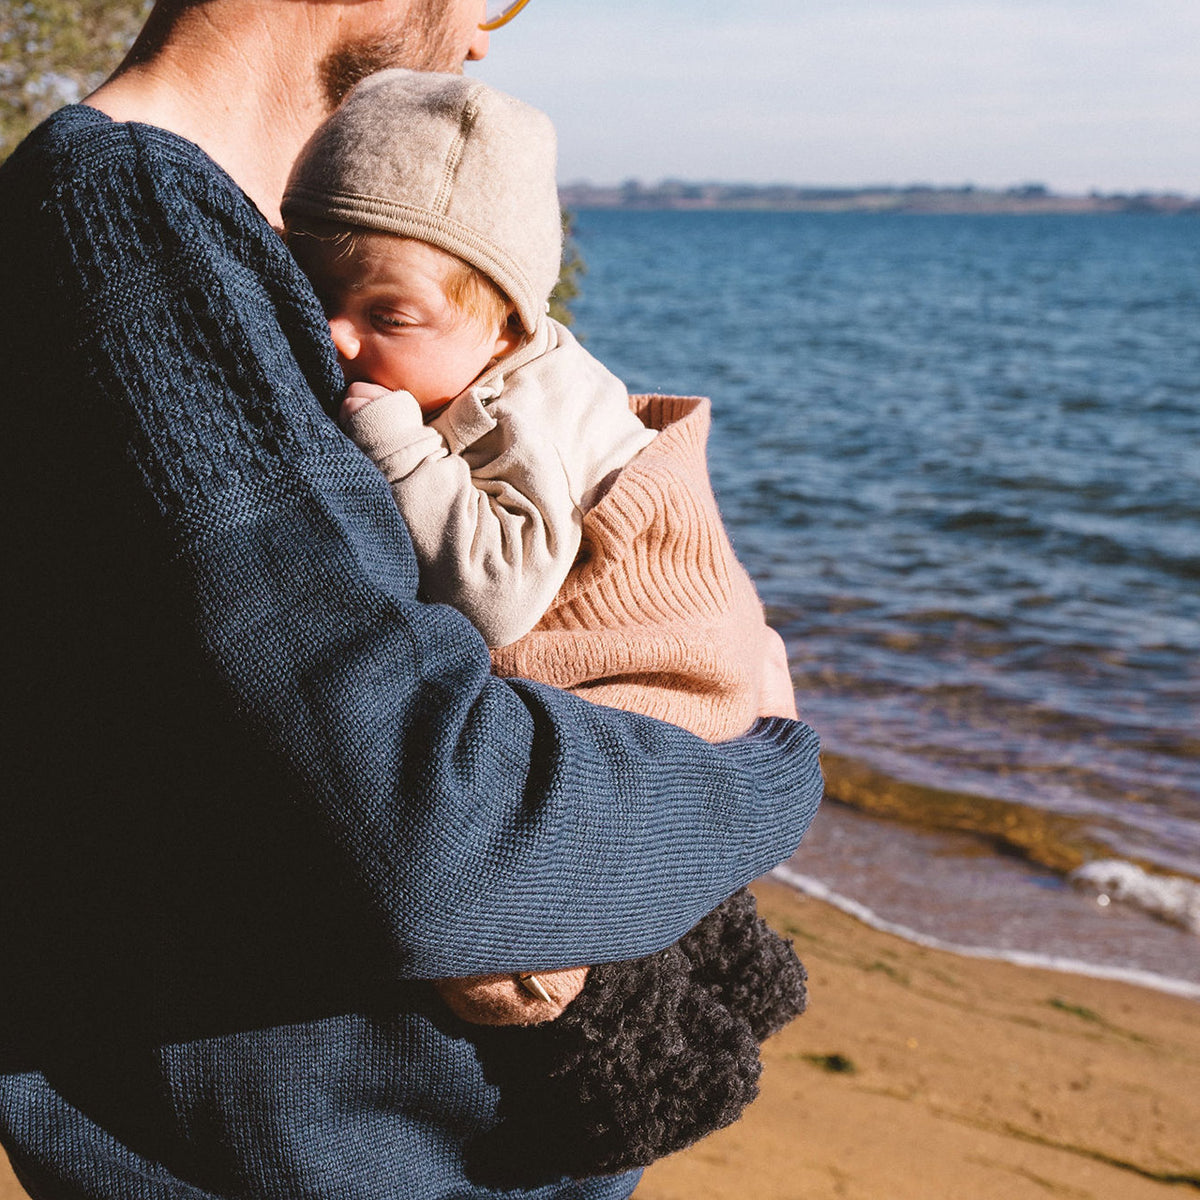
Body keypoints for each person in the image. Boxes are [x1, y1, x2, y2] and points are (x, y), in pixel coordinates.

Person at [0, 2, 823, 1198]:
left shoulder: (181, 231)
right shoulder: (136, 228)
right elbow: (439, 835)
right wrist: (768, 772)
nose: (484, 34)